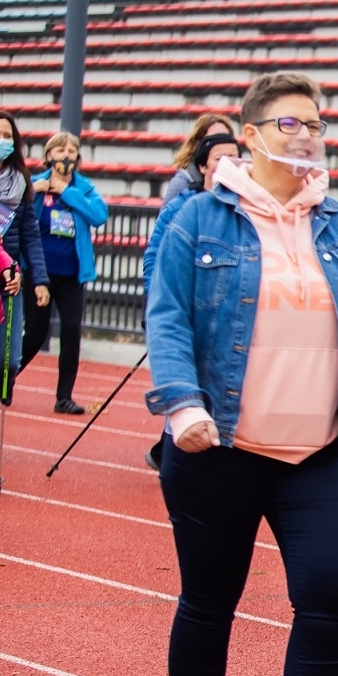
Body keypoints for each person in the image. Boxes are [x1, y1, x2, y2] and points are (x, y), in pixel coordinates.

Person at [146, 72, 338, 676]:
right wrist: (183, 405)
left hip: (315, 454)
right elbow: (166, 320)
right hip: (219, 448)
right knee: (209, 602)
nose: (307, 135)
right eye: (290, 124)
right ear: (251, 135)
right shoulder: (198, 220)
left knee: (327, 597)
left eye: (315, 123)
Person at [142, 132, 244, 472]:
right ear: (203, 166)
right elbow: (155, 256)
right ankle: (174, 446)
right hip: (189, 311)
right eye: (219, 157)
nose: (228, 162)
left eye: (235, 154)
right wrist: (159, 304)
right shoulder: (182, 207)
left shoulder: (248, 209)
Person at [20, 132, 109, 414]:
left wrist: (66, 193)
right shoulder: (34, 184)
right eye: (60, 150)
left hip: (72, 275)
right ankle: (1, 381)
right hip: (39, 274)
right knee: (35, 333)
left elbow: (99, 216)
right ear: (48, 156)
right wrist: (39, 191)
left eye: (72, 150)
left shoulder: (84, 189)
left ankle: (64, 397)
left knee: (71, 331)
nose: (66, 155)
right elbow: (21, 217)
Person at [0, 111, 48, 407]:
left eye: (6, 136)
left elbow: (30, 236)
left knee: (8, 362)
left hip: (8, 283)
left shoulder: (21, 182)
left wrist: (39, 279)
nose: (0, 141)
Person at [161, 112, 237, 203]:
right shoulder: (182, 183)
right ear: (198, 143)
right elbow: (168, 216)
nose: (220, 143)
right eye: (213, 139)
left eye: (225, 137)